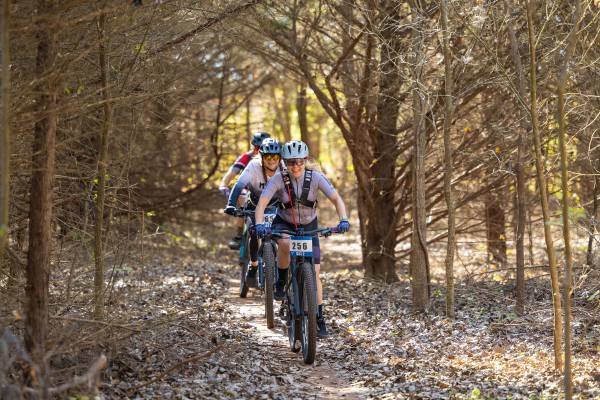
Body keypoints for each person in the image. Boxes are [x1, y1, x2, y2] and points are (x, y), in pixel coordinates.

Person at [253, 140, 350, 338]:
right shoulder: (278, 179)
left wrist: (343, 219)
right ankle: (281, 280)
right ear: (285, 163)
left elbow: (336, 199)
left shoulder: (316, 177)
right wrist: (260, 224)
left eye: (299, 161)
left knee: (315, 273)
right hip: (284, 223)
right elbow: (262, 204)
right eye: (290, 162)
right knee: (284, 243)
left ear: (305, 160)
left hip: (309, 225)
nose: (295, 166)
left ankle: (319, 317)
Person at [223, 138, 282, 287]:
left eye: (275, 157)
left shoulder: (283, 167)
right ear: (261, 157)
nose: (272, 160)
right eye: (268, 157)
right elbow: (239, 185)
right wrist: (231, 204)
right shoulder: (253, 166)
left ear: (280, 157)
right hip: (254, 204)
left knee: (284, 233)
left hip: (276, 204)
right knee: (254, 232)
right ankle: (253, 264)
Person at [219, 131, 270, 249]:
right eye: (257, 147)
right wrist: (223, 185)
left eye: (262, 148)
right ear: (253, 146)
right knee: (243, 200)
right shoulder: (247, 157)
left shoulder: (273, 158)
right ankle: (239, 236)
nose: (258, 151)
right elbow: (232, 172)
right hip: (248, 190)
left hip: (267, 190)